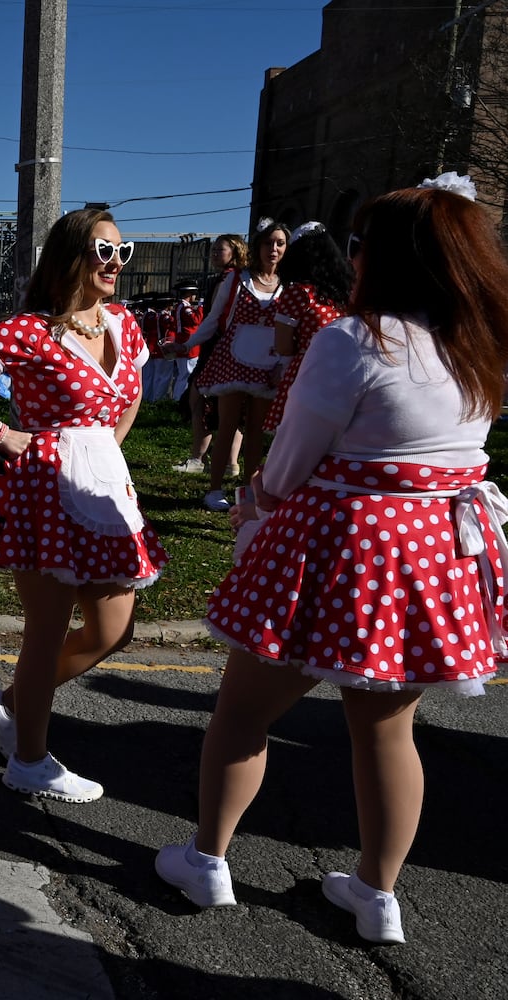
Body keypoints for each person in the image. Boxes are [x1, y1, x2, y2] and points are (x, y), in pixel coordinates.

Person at [155, 176, 508, 946]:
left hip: (341, 548)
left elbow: (289, 461)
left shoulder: (354, 340)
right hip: (434, 553)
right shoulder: (476, 347)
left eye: (358, 245)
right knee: (386, 733)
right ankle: (377, 895)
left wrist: (256, 498)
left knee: (243, 711)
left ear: (382, 257)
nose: (351, 258)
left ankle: (206, 859)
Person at [0, 208, 166, 801]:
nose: (115, 263)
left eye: (122, 251)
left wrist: (107, 448)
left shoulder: (123, 324)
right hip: (43, 488)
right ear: (70, 256)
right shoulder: (31, 330)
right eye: (103, 251)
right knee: (46, 630)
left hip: (106, 489)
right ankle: (29, 759)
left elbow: (131, 394)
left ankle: (11, 705)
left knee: (113, 629)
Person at [180, 222, 289, 511]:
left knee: (256, 431)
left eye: (280, 243)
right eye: (268, 243)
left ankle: (249, 492)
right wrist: (187, 345)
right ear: (257, 246)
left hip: (269, 364)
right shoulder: (238, 279)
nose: (273, 249)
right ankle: (215, 489)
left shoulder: (288, 284)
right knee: (227, 426)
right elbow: (214, 319)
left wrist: (284, 364)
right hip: (234, 359)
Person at [262, 222, 353, 432]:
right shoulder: (344, 292)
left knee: (299, 436)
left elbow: (283, 345)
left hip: (308, 370)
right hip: (344, 371)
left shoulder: (298, 292)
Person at [172, 236, 246, 476]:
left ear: (235, 252)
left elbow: (215, 319)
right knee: (231, 405)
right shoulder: (238, 278)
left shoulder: (229, 279)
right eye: (213, 249)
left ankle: (199, 458)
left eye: (219, 249)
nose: (214, 253)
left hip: (218, 346)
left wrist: (188, 345)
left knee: (200, 399)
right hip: (232, 346)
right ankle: (230, 463)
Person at [165, 282, 204, 409]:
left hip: (183, 343)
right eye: (193, 293)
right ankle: (180, 401)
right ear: (188, 294)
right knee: (186, 375)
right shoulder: (185, 308)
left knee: (183, 375)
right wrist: (201, 307)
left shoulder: (181, 307)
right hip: (187, 344)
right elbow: (196, 320)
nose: (195, 296)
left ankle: (178, 400)